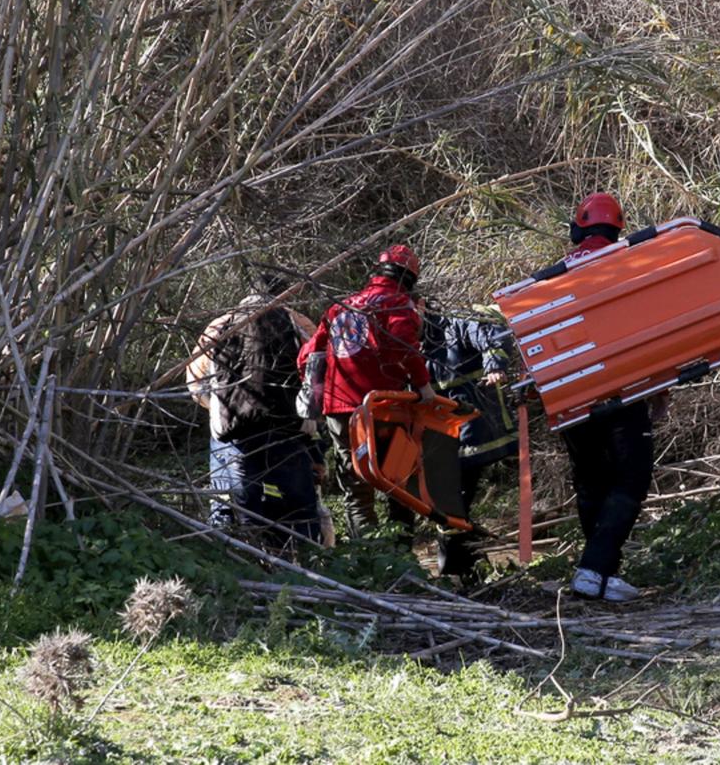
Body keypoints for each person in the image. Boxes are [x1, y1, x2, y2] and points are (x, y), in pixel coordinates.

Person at [559, 192, 664, 602]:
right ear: (618, 226)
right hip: (624, 390)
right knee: (631, 477)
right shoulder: (628, 263)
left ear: (579, 226)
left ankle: (600, 573)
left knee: (591, 479)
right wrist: (660, 389)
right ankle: (595, 568)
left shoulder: (555, 275)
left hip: (571, 393)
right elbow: (648, 334)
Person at [298, 244, 435, 540]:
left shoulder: (340, 306)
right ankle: (401, 553)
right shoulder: (397, 304)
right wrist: (423, 386)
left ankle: (369, 554)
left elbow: (307, 355)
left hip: (339, 409)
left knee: (356, 486)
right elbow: (403, 345)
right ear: (409, 277)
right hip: (384, 407)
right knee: (397, 478)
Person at [186, 274, 323, 545]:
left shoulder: (220, 325)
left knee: (234, 509)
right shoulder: (299, 323)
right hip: (289, 431)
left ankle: (240, 566)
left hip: (236, 435)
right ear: (284, 294)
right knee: (300, 510)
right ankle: (306, 568)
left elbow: (194, 381)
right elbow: (319, 374)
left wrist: (219, 408)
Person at [421, 303, 517, 577]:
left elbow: (493, 335)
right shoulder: (406, 337)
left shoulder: (455, 322)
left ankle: (458, 569)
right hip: (443, 435)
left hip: (474, 429)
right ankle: (464, 566)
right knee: (451, 501)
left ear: (419, 305)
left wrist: (494, 366)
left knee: (454, 498)